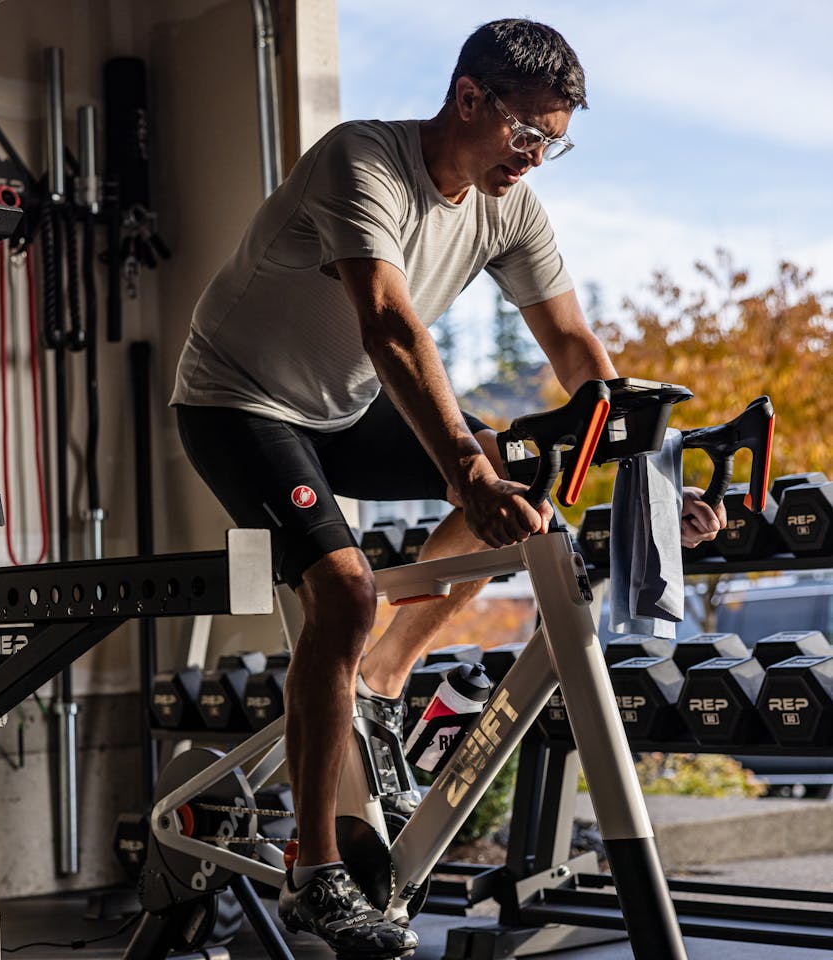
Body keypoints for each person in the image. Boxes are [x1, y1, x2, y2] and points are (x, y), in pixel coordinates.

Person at [170, 18, 726, 958]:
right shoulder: (363, 161)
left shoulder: (511, 205)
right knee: (344, 592)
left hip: (344, 410)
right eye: (526, 135)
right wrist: (466, 470)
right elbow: (388, 322)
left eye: (556, 142)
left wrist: (650, 479)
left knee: (531, 475)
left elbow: (571, 348)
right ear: (469, 97)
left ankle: (384, 678)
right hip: (241, 403)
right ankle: (315, 874)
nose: (537, 160)